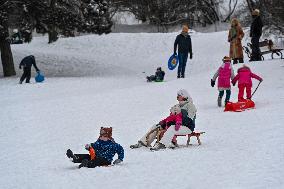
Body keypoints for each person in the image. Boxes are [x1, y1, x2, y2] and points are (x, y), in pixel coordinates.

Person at [130, 89, 197, 151]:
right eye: (177, 97)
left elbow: (189, 121)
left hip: (187, 127)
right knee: (155, 126)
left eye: (179, 96)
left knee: (172, 128)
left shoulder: (190, 106)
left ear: (184, 96)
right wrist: (163, 122)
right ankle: (143, 143)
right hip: (176, 125)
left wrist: (181, 113)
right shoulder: (177, 105)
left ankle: (162, 144)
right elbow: (172, 118)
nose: (178, 98)